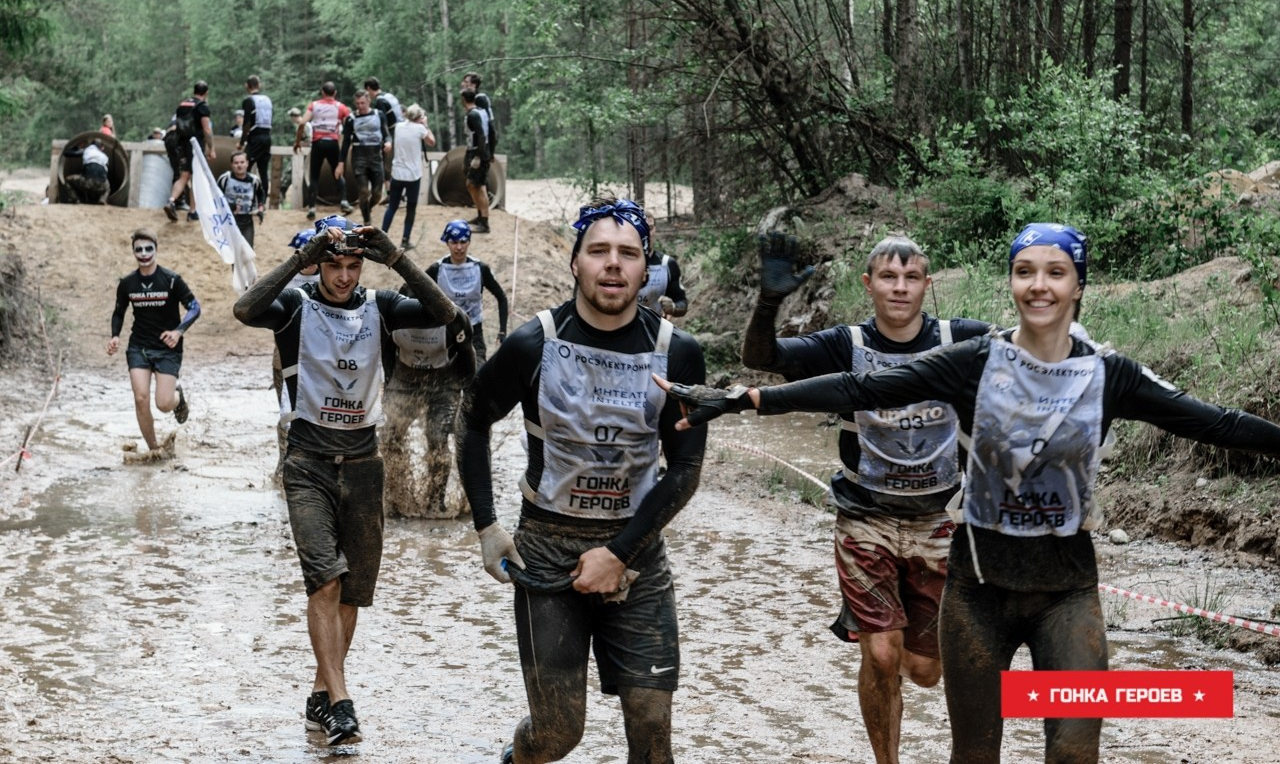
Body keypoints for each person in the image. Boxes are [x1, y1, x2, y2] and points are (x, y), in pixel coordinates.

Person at [659, 223, 1280, 764]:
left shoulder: (1108, 373)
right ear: (1011, 283)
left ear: (1079, 286)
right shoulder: (973, 359)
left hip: (1067, 594)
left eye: (1055, 273)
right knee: (976, 753)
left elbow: (1218, 423)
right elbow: (859, 389)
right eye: (1024, 272)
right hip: (976, 593)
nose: (1039, 285)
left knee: (1072, 750)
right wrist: (747, 399)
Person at [459, 197, 708, 764]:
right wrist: (487, 527)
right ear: (575, 262)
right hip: (545, 550)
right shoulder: (533, 343)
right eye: (598, 251)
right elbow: (471, 419)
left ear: (648, 269)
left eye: (628, 253)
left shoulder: (678, 353)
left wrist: (619, 554)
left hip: (638, 552)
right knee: (557, 735)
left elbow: (686, 469)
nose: (613, 264)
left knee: (652, 737)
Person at [740, 232, 988, 764]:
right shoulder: (844, 344)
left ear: (927, 283)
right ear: (868, 284)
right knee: (880, 653)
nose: (900, 288)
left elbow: (1033, 349)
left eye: (912, 277)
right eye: (888, 277)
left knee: (925, 670)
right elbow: (762, 357)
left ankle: (897, 643)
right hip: (864, 517)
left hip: (940, 521)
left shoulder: (962, 340)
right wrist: (768, 302)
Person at [233, 216, 472, 747]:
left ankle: (322, 693)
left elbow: (448, 315)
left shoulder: (381, 307)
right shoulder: (295, 305)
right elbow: (245, 308)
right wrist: (299, 260)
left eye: (352, 265)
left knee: (352, 593)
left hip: (365, 464)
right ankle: (342, 703)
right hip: (307, 461)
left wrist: (398, 258)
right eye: (334, 265)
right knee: (325, 578)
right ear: (320, 262)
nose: (343, 276)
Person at [381, 276, 476, 517]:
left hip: (444, 383)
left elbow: (467, 357)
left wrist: (466, 394)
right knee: (390, 436)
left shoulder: (454, 320)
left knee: (437, 437)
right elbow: (386, 353)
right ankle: (396, 498)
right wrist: (388, 386)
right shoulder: (390, 318)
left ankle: (435, 502)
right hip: (404, 379)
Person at [107, 229, 199, 458]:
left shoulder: (171, 280)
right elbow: (119, 312)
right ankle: (154, 449)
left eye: (149, 248)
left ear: (156, 250)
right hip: (139, 346)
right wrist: (115, 335)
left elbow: (195, 308)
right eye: (139, 249)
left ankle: (178, 397)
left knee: (163, 404)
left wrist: (178, 332)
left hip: (168, 348)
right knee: (140, 397)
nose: (144, 253)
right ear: (133, 252)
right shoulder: (127, 283)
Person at [269, 228, 322, 484]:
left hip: (321, 358)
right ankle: (284, 463)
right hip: (285, 356)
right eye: (305, 254)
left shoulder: (331, 276)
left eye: (315, 255)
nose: (310, 261)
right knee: (286, 413)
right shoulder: (284, 278)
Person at [427, 219, 508, 363]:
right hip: (444, 332)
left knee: (478, 376)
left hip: (474, 332)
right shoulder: (437, 269)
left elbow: (501, 297)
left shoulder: (480, 268)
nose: (459, 248)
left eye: (463, 242)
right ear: (447, 243)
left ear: (469, 242)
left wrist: (502, 330)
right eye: (454, 242)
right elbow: (414, 294)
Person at [294, 81, 352, 220]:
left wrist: (297, 142)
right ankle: (343, 201)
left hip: (318, 143)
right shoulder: (341, 107)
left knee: (314, 175)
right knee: (337, 172)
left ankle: (312, 208)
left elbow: (302, 123)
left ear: (322, 92)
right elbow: (349, 125)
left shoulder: (314, 105)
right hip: (332, 142)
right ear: (335, 93)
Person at [381, 103, 434, 250]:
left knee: (392, 206)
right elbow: (431, 142)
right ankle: (405, 239)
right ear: (419, 117)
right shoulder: (420, 129)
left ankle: (381, 236)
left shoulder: (399, 126)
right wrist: (426, 125)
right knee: (411, 208)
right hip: (413, 176)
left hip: (397, 173)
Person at [163, 81, 216, 222]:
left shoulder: (183, 104)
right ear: (206, 93)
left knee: (184, 176)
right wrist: (211, 148)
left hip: (181, 144)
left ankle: (171, 201)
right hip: (195, 145)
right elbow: (206, 129)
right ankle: (193, 212)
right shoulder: (202, 107)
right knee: (197, 176)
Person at [340, 89, 391, 226]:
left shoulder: (378, 114)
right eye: (357, 103)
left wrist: (388, 142)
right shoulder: (351, 118)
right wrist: (341, 162)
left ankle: (366, 208)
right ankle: (367, 220)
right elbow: (345, 142)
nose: (360, 106)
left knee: (377, 194)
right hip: (359, 156)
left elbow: (386, 133)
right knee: (363, 191)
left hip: (375, 156)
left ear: (369, 101)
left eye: (362, 103)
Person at [636, 218, 689, 319]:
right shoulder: (619, 265)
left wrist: (673, 307)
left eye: (650, 228)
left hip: (656, 331)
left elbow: (682, 303)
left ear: (655, 230)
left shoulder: (667, 264)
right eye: (641, 228)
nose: (647, 233)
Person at [217, 150, 266, 249]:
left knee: (248, 250)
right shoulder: (225, 179)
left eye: (242, 162)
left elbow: (261, 194)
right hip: (229, 220)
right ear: (231, 164)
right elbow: (216, 198)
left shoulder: (254, 180)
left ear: (247, 163)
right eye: (236, 163)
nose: (239, 165)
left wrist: (260, 208)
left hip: (247, 220)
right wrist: (230, 207)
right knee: (233, 252)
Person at [461, 89, 492, 233]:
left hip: (478, 152)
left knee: (478, 186)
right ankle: (480, 216)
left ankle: (484, 222)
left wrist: (478, 156)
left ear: (463, 99)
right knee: (472, 185)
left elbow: (481, 136)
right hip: (476, 151)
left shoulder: (473, 115)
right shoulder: (480, 112)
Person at [238, 75, 274, 194]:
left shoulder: (249, 101)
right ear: (259, 85)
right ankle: (262, 202)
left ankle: (243, 195)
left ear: (247, 86)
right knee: (263, 170)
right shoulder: (267, 100)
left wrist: (242, 142)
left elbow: (246, 124)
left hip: (255, 138)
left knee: (244, 167)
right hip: (267, 136)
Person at [461, 71, 497, 156]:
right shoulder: (470, 99)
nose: (463, 84)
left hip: (481, 146)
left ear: (473, 85)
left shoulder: (480, 99)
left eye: (466, 82)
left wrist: (490, 150)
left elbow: (487, 125)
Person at [66, 138, 110, 203]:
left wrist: (77, 147)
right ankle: (102, 199)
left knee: (68, 180)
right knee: (108, 186)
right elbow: (106, 172)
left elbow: (67, 153)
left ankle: (75, 199)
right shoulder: (105, 157)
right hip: (101, 185)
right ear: (101, 148)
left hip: (87, 183)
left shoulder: (87, 150)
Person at [280, 107, 308, 207]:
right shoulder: (304, 124)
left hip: (304, 154)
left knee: (289, 172)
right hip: (303, 154)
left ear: (293, 117)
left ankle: (282, 191)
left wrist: (300, 145)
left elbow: (309, 140)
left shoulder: (303, 125)